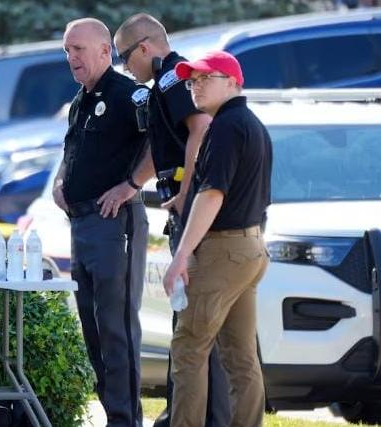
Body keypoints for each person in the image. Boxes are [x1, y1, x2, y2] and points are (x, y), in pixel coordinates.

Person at [112, 14, 230, 427]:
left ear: (145, 47)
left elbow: (201, 128)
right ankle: (188, 413)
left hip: (189, 203)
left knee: (194, 322)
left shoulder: (172, 78)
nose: (125, 67)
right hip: (181, 200)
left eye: (125, 57)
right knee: (190, 319)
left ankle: (200, 416)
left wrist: (186, 190)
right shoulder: (162, 84)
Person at [162, 51, 272, 427]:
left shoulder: (225, 127)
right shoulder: (251, 124)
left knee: (188, 348)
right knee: (241, 358)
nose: (196, 85)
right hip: (250, 249)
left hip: (224, 251)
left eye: (206, 77)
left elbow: (212, 195)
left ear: (232, 82)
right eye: (192, 81)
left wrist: (181, 257)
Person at [56, 17, 149, 427]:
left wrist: (130, 185)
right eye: (67, 50)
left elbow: (158, 143)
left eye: (78, 48)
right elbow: (74, 150)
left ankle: (126, 420)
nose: (71, 57)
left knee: (116, 329)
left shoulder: (128, 94)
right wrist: (61, 180)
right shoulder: (80, 99)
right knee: (92, 329)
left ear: (104, 51)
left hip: (115, 224)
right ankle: (114, 416)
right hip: (81, 225)